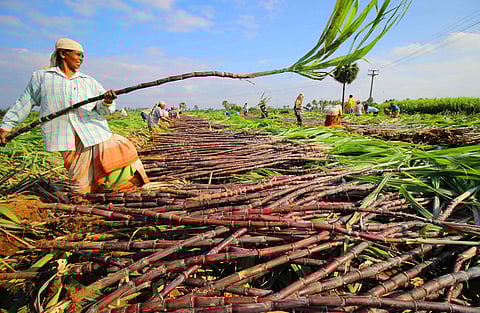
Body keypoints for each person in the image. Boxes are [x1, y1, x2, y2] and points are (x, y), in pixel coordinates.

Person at [0, 38, 149, 193]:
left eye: (82, 56)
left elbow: (102, 111)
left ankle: (120, 188)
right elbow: (25, 103)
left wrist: (107, 101)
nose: (81, 59)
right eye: (78, 55)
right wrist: (6, 126)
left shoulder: (88, 81)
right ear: (63, 54)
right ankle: (88, 197)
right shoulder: (42, 77)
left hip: (93, 132)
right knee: (80, 186)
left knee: (121, 151)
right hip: (63, 136)